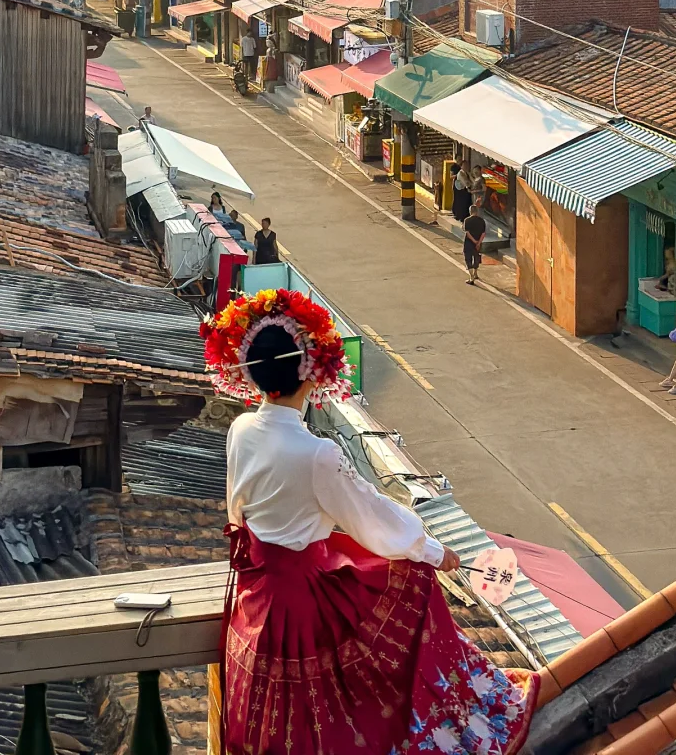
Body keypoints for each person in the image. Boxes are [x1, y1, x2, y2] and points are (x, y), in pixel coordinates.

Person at [206, 288, 552, 754]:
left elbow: (238, 510)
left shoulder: (241, 429)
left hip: (255, 595)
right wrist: (434, 551)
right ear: (310, 373)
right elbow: (373, 518)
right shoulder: (316, 454)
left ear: (252, 374)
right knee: (415, 583)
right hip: (302, 601)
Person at [462, 199, 487, 285]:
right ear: (477, 212)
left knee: (468, 258)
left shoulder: (467, 220)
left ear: (470, 212)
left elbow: (467, 233)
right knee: (476, 257)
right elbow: (483, 233)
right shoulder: (482, 221)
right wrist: (478, 243)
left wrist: (474, 241)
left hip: (469, 243)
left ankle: (471, 277)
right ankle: (476, 273)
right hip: (478, 243)